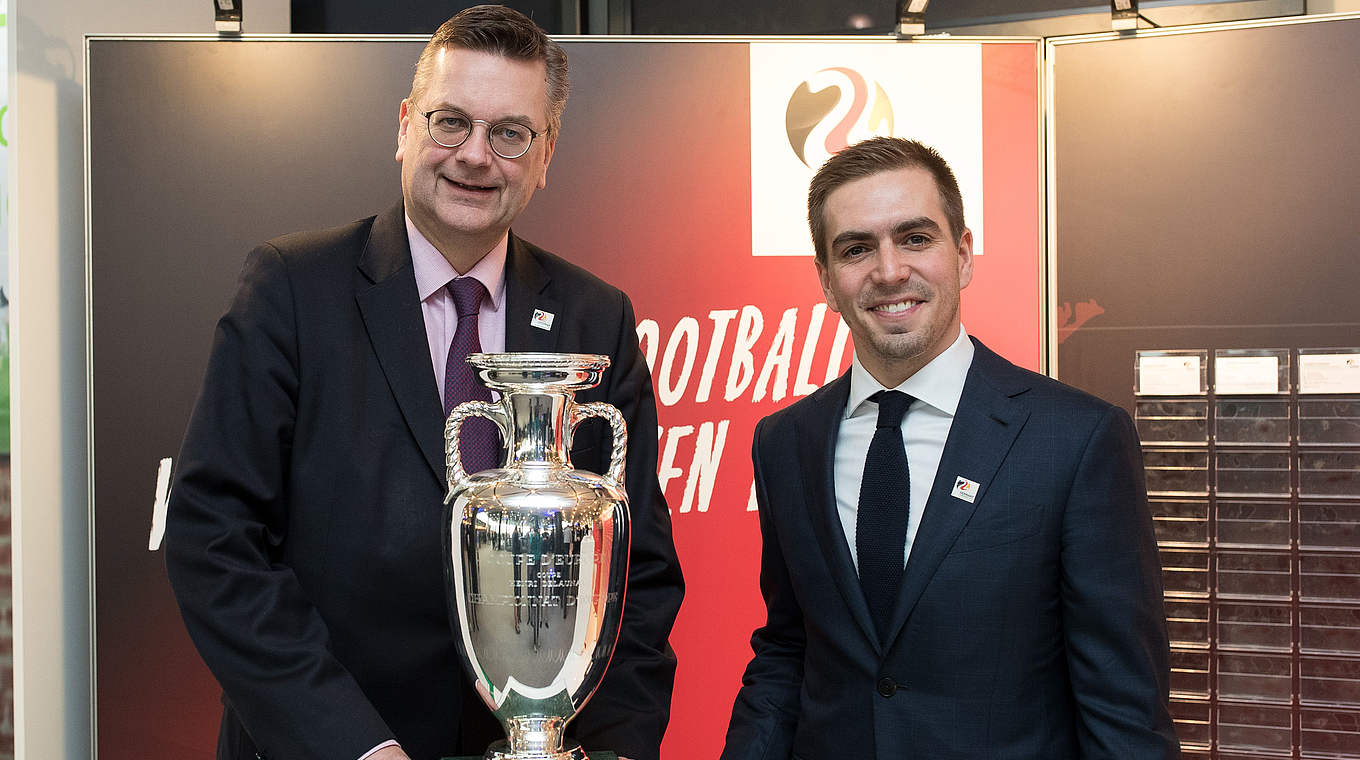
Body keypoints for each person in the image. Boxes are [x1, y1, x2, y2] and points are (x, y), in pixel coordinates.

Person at [165, 7, 683, 760]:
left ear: (546, 155)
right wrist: (356, 746)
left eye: (510, 133)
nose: (476, 155)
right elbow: (215, 541)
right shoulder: (293, 289)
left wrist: (608, 752)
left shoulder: (594, 319)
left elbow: (640, 576)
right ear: (405, 126)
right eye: (451, 122)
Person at [721, 137, 1178, 759]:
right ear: (826, 280)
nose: (888, 271)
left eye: (915, 238)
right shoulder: (785, 443)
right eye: (857, 248)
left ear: (962, 255)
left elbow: (1123, 706)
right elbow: (789, 650)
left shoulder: (1076, 440)